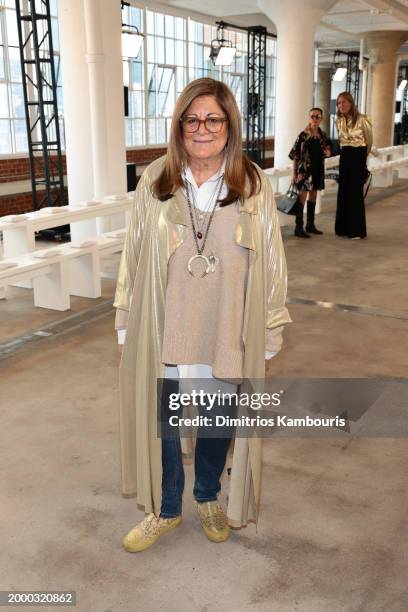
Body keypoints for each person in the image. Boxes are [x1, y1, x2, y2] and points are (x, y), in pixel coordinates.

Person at [113, 77, 291, 553]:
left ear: (230, 125)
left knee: (217, 415)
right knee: (164, 419)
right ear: (179, 127)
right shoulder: (155, 181)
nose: (202, 128)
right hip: (165, 321)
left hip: (226, 321)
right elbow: (132, 256)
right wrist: (126, 322)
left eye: (213, 118)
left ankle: (208, 495)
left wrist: (270, 331)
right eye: (191, 119)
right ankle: (167, 507)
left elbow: (272, 261)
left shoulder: (252, 184)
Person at [289, 107, 332, 238]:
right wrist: (294, 174)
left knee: (313, 196)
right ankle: (298, 227)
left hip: (318, 170)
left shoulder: (323, 136)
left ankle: (310, 225)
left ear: (321, 119)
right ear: (309, 118)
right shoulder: (303, 135)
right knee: (302, 198)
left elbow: (329, 152)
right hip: (304, 172)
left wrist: (328, 152)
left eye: (317, 116)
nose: (315, 119)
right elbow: (294, 155)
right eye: (312, 116)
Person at [335, 92, 373, 239]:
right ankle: (342, 228)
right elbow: (340, 140)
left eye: (344, 102)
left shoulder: (363, 119)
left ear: (351, 103)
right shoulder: (338, 121)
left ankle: (356, 230)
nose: (341, 105)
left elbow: (369, 141)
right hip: (345, 154)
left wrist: (362, 157)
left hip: (358, 154)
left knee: (355, 191)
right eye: (339, 103)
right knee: (343, 189)